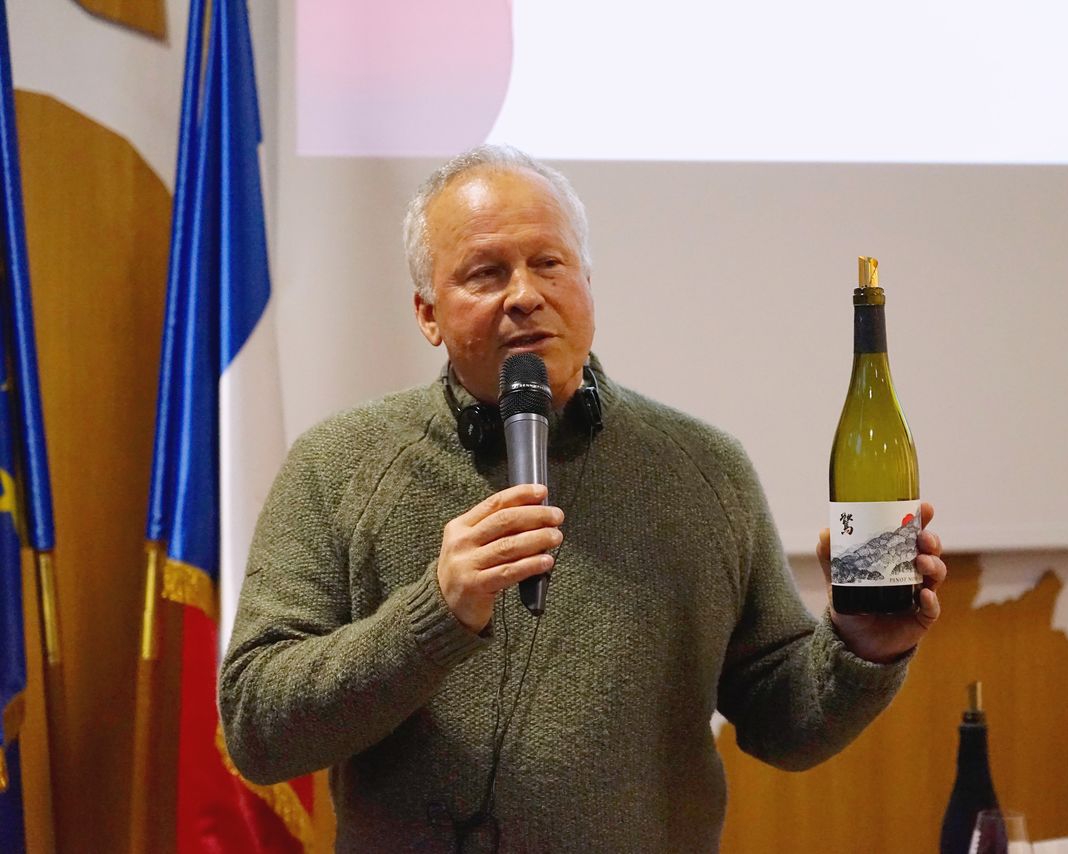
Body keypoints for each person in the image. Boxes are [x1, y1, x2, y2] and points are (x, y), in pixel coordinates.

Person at [218, 145, 947, 852]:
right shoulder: (338, 465)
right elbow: (257, 728)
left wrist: (861, 648)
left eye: (548, 263)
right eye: (484, 272)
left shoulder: (706, 471)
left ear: (588, 285)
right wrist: (433, 614)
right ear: (427, 313)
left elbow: (785, 722)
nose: (525, 294)